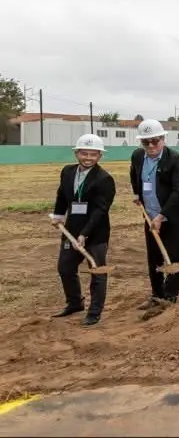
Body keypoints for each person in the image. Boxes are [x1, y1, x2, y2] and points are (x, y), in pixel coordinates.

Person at [49, 134, 116, 326]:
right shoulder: (68, 172)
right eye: (84, 153)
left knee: (97, 270)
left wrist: (84, 234)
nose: (88, 158)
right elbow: (62, 194)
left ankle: (94, 312)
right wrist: (59, 215)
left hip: (96, 233)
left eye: (93, 154)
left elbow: (100, 211)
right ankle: (75, 303)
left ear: (100, 156)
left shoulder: (104, 179)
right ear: (76, 153)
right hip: (71, 229)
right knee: (65, 268)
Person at [130, 119, 179, 309]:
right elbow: (134, 174)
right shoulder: (138, 156)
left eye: (154, 141)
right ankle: (157, 294)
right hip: (149, 214)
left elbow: (178, 191)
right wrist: (137, 194)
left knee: (173, 256)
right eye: (145, 142)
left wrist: (161, 216)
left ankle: (170, 297)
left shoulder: (177, 160)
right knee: (154, 256)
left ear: (163, 139)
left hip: (174, 215)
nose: (150, 146)